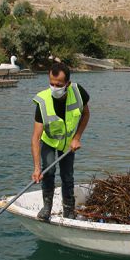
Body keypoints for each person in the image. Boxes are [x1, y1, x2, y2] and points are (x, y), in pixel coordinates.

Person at [31, 62, 90, 220]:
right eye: (51, 84)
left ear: (68, 84)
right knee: (48, 172)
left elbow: (86, 114)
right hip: (49, 141)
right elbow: (36, 137)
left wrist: (77, 138)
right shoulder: (42, 101)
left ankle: (68, 210)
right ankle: (47, 207)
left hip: (68, 143)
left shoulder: (78, 92)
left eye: (59, 84)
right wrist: (36, 168)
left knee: (67, 176)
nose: (54, 87)